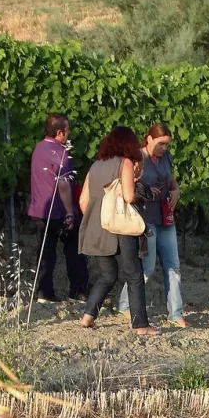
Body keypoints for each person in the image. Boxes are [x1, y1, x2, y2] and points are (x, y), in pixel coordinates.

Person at [77, 126, 157, 336]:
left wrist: (99, 218)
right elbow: (129, 197)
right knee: (134, 275)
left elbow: (83, 200)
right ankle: (141, 325)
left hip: (96, 227)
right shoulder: (126, 163)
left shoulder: (95, 165)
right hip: (120, 227)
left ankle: (87, 316)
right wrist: (144, 193)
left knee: (107, 275)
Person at [118, 123, 185, 326]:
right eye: (161, 144)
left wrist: (176, 190)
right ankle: (124, 304)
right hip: (146, 219)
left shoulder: (166, 157)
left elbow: (171, 180)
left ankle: (176, 314)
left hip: (166, 216)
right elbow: (129, 187)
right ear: (148, 139)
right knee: (147, 268)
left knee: (173, 266)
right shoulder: (137, 158)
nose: (164, 148)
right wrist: (146, 192)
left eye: (167, 144)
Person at [27, 113, 88, 303]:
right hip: (58, 211)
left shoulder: (38, 149)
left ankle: (44, 292)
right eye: (67, 130)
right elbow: (63, 185)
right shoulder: (61, 154)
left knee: (46, 252)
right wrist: (70, 211)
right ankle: (78, 291)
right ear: (60, 132)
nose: (69, 133)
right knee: (74, 251)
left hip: (39, 210)